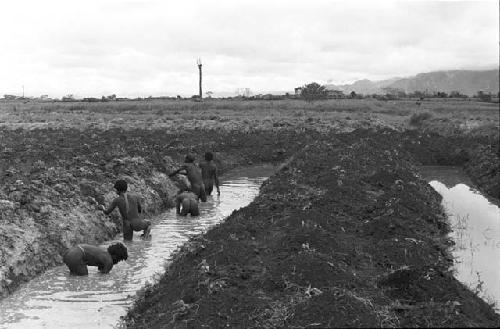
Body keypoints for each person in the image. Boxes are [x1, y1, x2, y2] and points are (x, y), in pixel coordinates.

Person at [63, 242, 128, 276]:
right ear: (116, 257)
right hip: (77, 255)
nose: (117, 263)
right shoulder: (109, 261)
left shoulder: (103, 253)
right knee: (84, 278)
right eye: (119, 260)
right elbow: (103, 277)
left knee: (74, 276)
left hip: (69, 253)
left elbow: (100, 271)